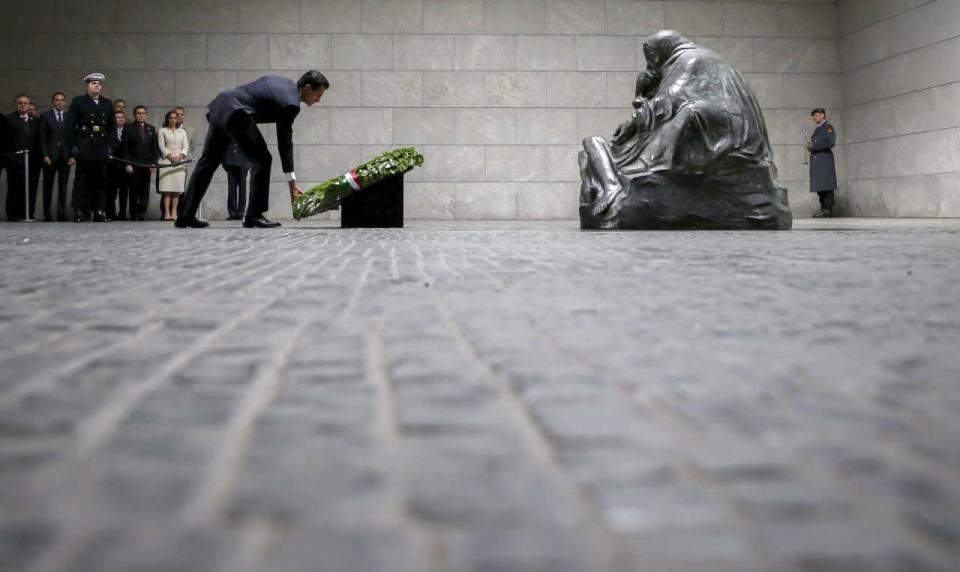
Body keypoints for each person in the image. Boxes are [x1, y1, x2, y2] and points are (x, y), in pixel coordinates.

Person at [176, 70, 329, 229]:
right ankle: (254, 215)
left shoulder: (285, 84)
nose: (318, 100)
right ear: (308, 87)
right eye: (319, 95)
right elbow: (285, 143)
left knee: (208, 162)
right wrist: (292, 183)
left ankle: (185, 215)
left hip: (221, 106)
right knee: (262, 159)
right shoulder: (291, 103)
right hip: (237, 112)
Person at [70, 72, 116, 222]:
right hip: (85, 145)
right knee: (81, 181)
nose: (97, 86)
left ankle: (99, 210)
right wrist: (73, 147)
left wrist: (110, 146)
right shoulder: (78, 101)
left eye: (99, 84)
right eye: (93, 83)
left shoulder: (107, 102)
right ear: (88, 85)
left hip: (101, 147)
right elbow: (71, 127)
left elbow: (111, 127)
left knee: (100, 181)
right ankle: (79, 211)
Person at [37, 91, 75, 221]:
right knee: (48, 186)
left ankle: (61, 214)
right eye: (57, 100)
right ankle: (47, 215)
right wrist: (45, 155)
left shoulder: (69, 117)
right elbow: (41, 138)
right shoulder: (45, 116)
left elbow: (72, 138)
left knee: (63, 187)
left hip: (65, 157)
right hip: (50, 157)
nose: (59, 102)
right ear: (53, 102)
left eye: (62, 100)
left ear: (64, 102)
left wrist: (72, 156)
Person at [5, 94, 41, 221]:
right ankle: (13, 214)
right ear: (16, 104)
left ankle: (29, 213)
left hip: (32, 161)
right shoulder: (8, 119)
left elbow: (38, 140)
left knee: (31, 188)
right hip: (15, 160)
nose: (23, 105)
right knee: (15, 187)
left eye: (25, 103)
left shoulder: (35, 120)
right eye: (20, 103)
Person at [121, 105, 160, 221]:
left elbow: (155, 148)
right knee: (133, 190)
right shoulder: (128, 128)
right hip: (133, 165)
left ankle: (142, 213)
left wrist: (153, 163)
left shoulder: (151, 128)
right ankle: (133, 214)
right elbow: (125, 148)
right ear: (134, 115)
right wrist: (127, 164)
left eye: (143, 113)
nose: (141, 115)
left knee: (144, 190)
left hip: (147, 165)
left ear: (146, 115)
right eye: (138, 113)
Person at [158, 109, 189, 221]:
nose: (173, 120)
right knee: (167, 189)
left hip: (179, 163)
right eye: (170, 118)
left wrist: (180, 157)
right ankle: (166, 212)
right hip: (166, 162)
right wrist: (171, 156)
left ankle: (174, 212)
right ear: (167, 119)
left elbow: (185, 146)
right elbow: (161, 146)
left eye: (175, 118)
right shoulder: (162, 130)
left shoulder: (182, 132)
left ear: (177, 119)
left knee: (176, 189)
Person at [808, 108, 837, 218]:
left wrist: (814, 146)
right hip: (818, 161)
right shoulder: (819, 129)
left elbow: (830, 142)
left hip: (824, 160)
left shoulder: (828, 127)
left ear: (822, 115)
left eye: (816, 115)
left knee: (827, 187)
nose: (814, 118)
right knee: (821, 187)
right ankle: (823, 208)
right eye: (814, 116)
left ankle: (827, 210)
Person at [105, 110, 128, 220]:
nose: (120, 119)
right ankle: (111, 213)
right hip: (112, 166)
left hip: (125, 166)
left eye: (122, 117)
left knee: (124, 191)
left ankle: (123, 213)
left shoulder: (129, 131)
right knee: (111, 191)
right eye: (117, 117)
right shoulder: (108, 132)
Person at [222, 141, 249, 220]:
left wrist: (249, 162)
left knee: (242, 189)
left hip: (244, 161)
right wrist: (224, 161)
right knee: (231, 189)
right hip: (230, 161)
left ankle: (241, 212)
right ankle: (232, 213)